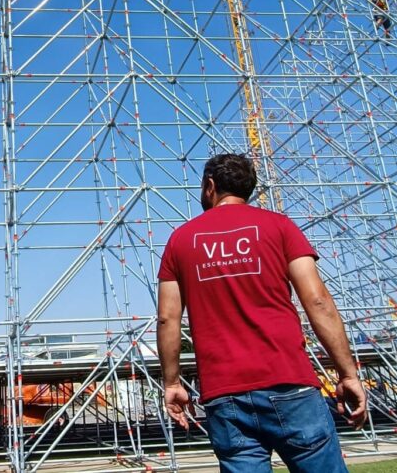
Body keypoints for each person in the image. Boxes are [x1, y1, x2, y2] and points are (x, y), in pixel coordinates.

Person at [157, 154, 367, 472]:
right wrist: (347, 374)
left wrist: (172, 383)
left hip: (225, 395)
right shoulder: (280, 227)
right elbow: (318, 302)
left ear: (210, 186)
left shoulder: (180, 241)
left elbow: (167, 318)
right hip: (290, 384)